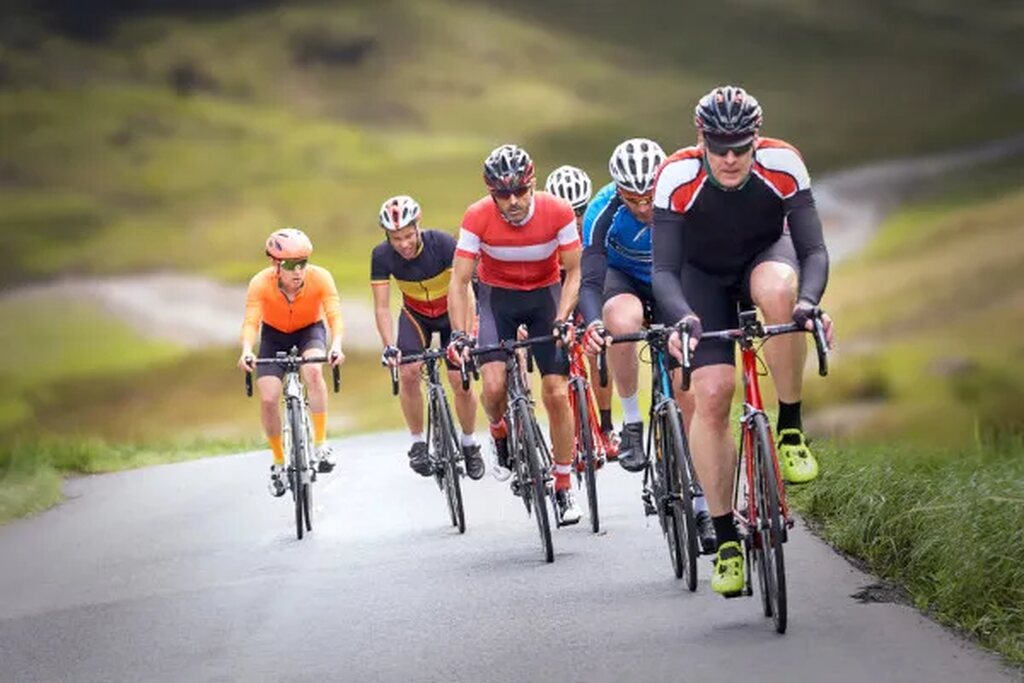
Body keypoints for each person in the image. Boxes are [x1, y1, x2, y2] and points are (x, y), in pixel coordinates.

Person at [652, 85, 834, 595]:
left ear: (757, 138)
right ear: (700, 139)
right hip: (701, 276)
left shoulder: (783, 162)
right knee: (710, 396)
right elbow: (664, 269)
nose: (730, 158)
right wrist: (683, 316)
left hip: (764, 255)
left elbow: (813, 250)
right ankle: (727, 536)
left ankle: (791, 428)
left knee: (779, 291)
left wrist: (808, 302)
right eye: (718, 146)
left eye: (740, 146)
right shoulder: (676, 175)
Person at [447, 144, 584, 525]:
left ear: (532, 184)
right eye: (502, 194)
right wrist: (460, 334)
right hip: (497, 301)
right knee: (492, 386)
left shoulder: (558, 210)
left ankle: (563, 483)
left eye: (520, 191)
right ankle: (499, 430)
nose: (512, 201)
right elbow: (459, 281)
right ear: (491, 193)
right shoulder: (477, 216)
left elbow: (574, 271)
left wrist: (562, 317)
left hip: (545, 297)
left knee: (557, 392)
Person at [370, 195, 484, 480]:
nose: (404, 244)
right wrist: (389, 347)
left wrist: (466, 334)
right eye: (396, 238)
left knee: (460, 379)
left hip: (452, 313)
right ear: (387, 236)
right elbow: (382, 307)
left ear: (418, 226)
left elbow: (466, 290)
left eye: (408, 235)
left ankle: (469, 444)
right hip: (415, 315)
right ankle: (418, 442)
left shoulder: (442, 243)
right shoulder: (381, 256)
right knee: (408, 371)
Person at [238, 228, 345, 497]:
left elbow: (334, 314)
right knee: (269, 397)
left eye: (303, 263)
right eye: (290, 264)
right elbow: (251, 320)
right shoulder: (260, 283)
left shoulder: (320, 278)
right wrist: (247, 350)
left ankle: (320, 445)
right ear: (275, 264)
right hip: (274, 336)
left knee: (312, 371)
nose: (298, 271)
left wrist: (337, 345)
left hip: (310, 330)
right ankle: (277, 461)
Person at [544, 165, 619, 458]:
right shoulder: (543, 231)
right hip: (555, 291)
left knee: (595, 349)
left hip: (589, 288)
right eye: (566, 211)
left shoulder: (596, 226)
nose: (574, 219)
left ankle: (607, 425)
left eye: (580, 210)